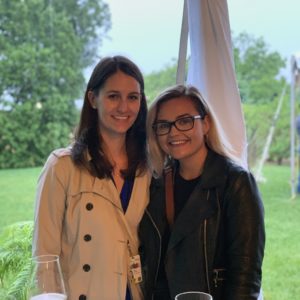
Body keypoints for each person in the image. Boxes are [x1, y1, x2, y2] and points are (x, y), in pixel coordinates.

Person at [32, 55, 151, 300]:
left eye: (133, 97)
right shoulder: (62, 167)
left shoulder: (147, 169)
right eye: (113, 96)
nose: (123, 107)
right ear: (92, 99)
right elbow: (45, 256)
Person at [138, 84, 265, 300]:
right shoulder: (155, 184)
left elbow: (245, 276)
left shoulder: (236, 183)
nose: (174, 131)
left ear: (205, 124)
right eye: (163, 125)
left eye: (185, 121)